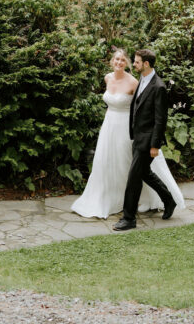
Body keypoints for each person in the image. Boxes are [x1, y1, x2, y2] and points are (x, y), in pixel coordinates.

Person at [72, 48, 184, 221]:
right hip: (110, 127)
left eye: (125, 60)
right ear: (112, 61)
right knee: (116, 165)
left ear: (134, 64)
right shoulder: (111, 78)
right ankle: (115, 199)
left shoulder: (138, 83)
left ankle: (131, 215)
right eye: (116, 59)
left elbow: (155, 116)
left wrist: (154, 143)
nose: (119, 62)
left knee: (134, 171)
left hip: (129, 130)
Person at [113, 49, 179, 231]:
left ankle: (128, 218)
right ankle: (169, 200)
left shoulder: (158, 87)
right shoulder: (142, 79)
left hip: (147, 141)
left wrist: (155, 145)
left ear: (146, 64)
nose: (133, 64)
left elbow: (160, 119)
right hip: (137, 137)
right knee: (144, 173)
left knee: (134, 178)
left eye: (136, 62)